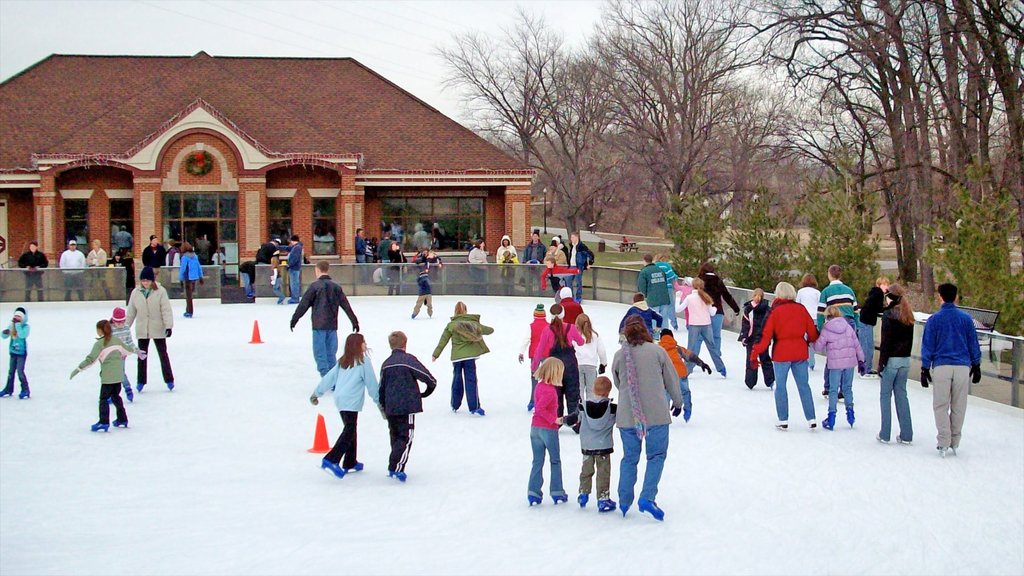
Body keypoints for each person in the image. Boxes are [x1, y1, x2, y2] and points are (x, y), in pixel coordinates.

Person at [612, 316, 683, 520]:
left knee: (629, 458)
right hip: (657, 414)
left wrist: (629, 398)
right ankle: (647, 497)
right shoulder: (658, 351)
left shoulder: (620, 355)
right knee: (656, 456)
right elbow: (671, 378)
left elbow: (617, 381)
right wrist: (677, 402)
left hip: (628, 416)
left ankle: (624, 500)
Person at [920, 283, 982, 457]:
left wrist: (925, 367)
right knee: (959, 405)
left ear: (940, 296)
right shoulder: (965, 319)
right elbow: (972, 343)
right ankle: (955, 439)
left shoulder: (935, 320)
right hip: (962, 366)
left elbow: (928, 345)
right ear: (955, 297)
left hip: (942, 366)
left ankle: (943, 440)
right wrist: (976, 364)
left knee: (940, 405)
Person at [310, 333, 379, 479]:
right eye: (363, 342)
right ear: (357, 345)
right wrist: (380, 402)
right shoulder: (363, 362)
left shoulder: (343, 361)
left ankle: (350, 461)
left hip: (340, 399)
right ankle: (331, 459)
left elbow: (329, 377)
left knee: (350, 428)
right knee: (349, 429)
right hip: (351, 400)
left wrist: (317, 392)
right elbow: (372, 384)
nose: (365, 344)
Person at [751, 282, 819, 431]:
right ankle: (811, 418)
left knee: (781, 386)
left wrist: (755, 352)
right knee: (804, 386)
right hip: (800, 351)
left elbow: (766, 336)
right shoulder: (801, 309)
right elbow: (813, 333)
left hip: (781, 353)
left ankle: (783, 419)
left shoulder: (775, 312)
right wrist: (808, 341)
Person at [379, 331, 436, 482]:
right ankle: (396, 467)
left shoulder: (386, 363)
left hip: (391, 406)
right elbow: (428, 377)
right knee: (406, 436)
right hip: (407, 405)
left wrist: (383, 406)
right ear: (405, 344)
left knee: (395, 435)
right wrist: (427, 391)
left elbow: (381, 388)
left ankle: (395, 464)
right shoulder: (408, 360)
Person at [290, 261, 361, 378]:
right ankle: (332, 378)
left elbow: (304, 304)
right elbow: (346, 305)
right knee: (330, 354)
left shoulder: (314, 287)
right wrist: (354, 321)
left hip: (319, 326)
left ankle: (328, 378)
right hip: (332, 325)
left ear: (317, 270)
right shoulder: (336, 287)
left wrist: (295, 319)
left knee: (320, 354)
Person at [560, 375, 617, 512]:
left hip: (587, 446)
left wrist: (562, 420)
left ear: (593, 389)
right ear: (608, 392)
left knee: (586, 471)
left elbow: (573, 419)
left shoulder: (583, 406)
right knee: (603, 472)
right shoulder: (612, 408)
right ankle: (603, 499)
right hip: (603, 447)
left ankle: (583, 493)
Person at [69, 320, 139, 432]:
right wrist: (136, 352)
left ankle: (103, 421)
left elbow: (90, 359)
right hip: (118, 375)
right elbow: (128, 350)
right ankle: (122, 419)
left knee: (103, 399)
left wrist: (78, 369)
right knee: (116, 396)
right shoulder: (117, 340)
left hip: (108, 377)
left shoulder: (99, 344)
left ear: (100, 330)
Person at [432, 301, 494, 416]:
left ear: (455, 312)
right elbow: (489, 330)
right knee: (471, 380)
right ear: (466, 311)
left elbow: (443, 340)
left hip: (457, 358)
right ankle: (474, 407)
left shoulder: (451, 325)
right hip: (470, 357)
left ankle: (455, 404)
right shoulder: (473, 324)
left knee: (457, 379)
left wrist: (436, 354)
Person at [814, 305, 864, 430]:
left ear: (827, 316)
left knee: (833, 390)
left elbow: (818, 347)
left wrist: (811, 341)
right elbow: (857, 344)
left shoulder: (827, 329)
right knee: (847, 388)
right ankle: (850, 414)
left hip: (835, 364)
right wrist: (861, 360)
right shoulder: (848, 327)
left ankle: (831, 418)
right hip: (850, 362)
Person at [532, 303, 585, 422]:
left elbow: (540, 349)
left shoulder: (547, 330)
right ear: (563, 314)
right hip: (570, 364)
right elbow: (581, 342)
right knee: (573, 393)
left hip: (554, 367)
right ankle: (574, 422)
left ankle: (557, 421)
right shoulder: (571, 328)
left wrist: (534, 365)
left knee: (556, 395)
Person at [126, 266, 175, 392]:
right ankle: (141, 381)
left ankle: (169, 379)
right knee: (142, 355)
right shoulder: (136, 293)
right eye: (143, 280)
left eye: (148, 280)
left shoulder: (160, 291)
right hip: (142, 328)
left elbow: (166, 309)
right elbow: (131, 312)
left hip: (158, 327)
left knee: (163, 354)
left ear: (152, 281)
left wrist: (168, 326)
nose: (145, 283)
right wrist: (126, 327)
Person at [877, 283, 915, 445]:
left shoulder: (888, 315)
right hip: (905, 360)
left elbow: (886, 342)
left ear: (890, 297)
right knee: (901, 395)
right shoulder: (909, 315)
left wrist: (881, 364)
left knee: (885, 396)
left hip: (891, 360)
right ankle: (907, 434)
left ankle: (885, 433)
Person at [527, 357, 568, 506]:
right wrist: (554, 419)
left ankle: (533, 492)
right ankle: (557, 491)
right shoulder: (551, 391)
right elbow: (540, 409)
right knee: (555, 460)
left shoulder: (539, 386)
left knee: (537, 461)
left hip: (535, 429)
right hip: (548, 430)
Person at [817, 265, 859, 396]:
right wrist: (856, 328)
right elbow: (856, 311)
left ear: (829, 274)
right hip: (849, 323)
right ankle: (844, 389)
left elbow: (820, 313)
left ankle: (829, 387)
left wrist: (820, 330)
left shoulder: (826, 292)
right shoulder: (849, 290)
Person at [657, 328, 711, 422]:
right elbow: (691, 356)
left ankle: (664, 415)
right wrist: (702, 363)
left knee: (667, 395)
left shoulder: (658, 350)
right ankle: (688, 410)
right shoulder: (677, 348)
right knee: (685, 393)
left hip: (668, 377)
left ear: (661, 338)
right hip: (681, 374)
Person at [681, 278, 727, 377]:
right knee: (712, 346)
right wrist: (714, 308)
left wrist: (677, 298)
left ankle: (686, 370)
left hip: (694, 325)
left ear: (692, 286)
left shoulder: (689, 298)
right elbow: (712, 313)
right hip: (706, 325)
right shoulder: (706, 297)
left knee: (691, 348)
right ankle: (721, 367)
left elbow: (678, 309)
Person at [697, 261, 740, 363]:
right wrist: (736, 308)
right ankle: (717, 358)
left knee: (699, 336)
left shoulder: (700, 281)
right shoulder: (718, 281)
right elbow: (727, 296)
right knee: (716, 336)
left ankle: (693, 356)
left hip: (703, 312)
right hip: (718, 312)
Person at [740, 288, 775, 390]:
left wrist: (744, 336)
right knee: (765, 359)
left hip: (751, 339)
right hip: (764, 339)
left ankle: (750, 382)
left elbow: (745, 324)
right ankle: (770, 380)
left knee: (751, 360)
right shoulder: (768, 309)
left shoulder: (748, 308)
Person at [518, 304, 549, 411]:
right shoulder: (549, 326)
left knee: (534, 378)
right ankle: (545, 401)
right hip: (546, 354)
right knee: (547, 378)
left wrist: (521, 352)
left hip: (534, 354)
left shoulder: (531, 326)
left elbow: (526, 339)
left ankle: (533, 401)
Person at [858, 276, 890, 378]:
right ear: (878, 285)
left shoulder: (875, 293)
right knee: (867, 346)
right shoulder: (878, 294)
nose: (886, 287)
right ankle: (865, 369)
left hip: (865, 322)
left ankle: (866, 368)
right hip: (866, 322)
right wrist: (889, 308)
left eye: (887, 284)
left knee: (868, 346)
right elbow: (879, 308)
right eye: (884, 284)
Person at [573, 313, 607, 401]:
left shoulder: (575, 336)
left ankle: (579, 409)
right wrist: (603, 363)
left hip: (578, 365)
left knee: (578, 390)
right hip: (591, 366)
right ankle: (590, 409)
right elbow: (602, 351)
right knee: (591, 391)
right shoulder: (595, 336)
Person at [110, 306, 140, 403]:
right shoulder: (110, 329)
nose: (121, 324)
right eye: (118, 322)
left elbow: (130, 342)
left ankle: (127, 388)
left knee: (120, 373)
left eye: (122, 321)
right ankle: (110, 394)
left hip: (122, 356)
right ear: (113, 321)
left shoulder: (126, 328)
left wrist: (137, 350)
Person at [1, 307, 30, 399]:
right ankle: (8, 389)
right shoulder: (11, 325)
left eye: (19, 317)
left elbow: (22, 335)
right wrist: (4, 333)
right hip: (13, 353)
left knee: (20, 371)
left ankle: (25, 390)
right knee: (11, 372)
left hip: (21, 353)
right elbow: (5, 336)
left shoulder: (26, 327)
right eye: (15, 316)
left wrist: (17, 325)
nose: (16, 318)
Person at [638, 254, 672, 330]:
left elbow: (642, 287)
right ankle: (665, 337)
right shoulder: (660, 270)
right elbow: (665, 282)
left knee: (654, 320)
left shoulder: (644, 272)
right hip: (664, 298)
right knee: (664, 319)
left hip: (653, 299)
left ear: (644, 261)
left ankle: (654, 337)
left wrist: (645, 296)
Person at [795, 273, 821, 370]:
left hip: (803, 318)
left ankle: (804, 360)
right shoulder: (817, 293)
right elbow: (820, 306)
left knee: (803, 340)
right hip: (814, 318)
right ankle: (812, 361)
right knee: (812, 340)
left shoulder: (801, 292)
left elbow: (797, 304)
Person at [653, 255, 680, 330]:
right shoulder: (666, 266)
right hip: (667, 288)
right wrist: (676, 277)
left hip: (656, 289)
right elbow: (672, 276)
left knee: (657, 307)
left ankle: (656, 325)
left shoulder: (653, 266)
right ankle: (674, 323)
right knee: (670, 306)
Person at [178, 242, 204, 318]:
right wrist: (200, 277)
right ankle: (188, 310)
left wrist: (180, 278)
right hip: (194, 277)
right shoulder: (195, 256)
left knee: (188, 295)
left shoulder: (184, 257)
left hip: (187, 278)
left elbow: (183, 269)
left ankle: (189, 311)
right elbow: (199, 267)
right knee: (190, 295)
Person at [567, 232, 594, 302]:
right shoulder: (572, 246)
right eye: (571, 237)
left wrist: (589, 263)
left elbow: (590, 254)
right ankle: (571, 296)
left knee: (578, 282)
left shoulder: (582, 247)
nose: (571, 239)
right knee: (568, 281)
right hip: (571, 266)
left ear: (577, 237)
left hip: (578, 267)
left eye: (572, 237)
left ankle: (578, 297)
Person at [286, 235, 303, 304]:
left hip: (294, 268)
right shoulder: (296, 247)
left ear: (292, 241)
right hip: (294, 267)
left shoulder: (297, 247)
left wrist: (289, 265)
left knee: (294, 283)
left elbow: (294, 258)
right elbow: (288, 248)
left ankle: (295, 298)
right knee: (294, 283)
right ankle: (294, 297)